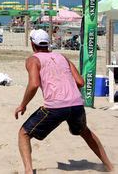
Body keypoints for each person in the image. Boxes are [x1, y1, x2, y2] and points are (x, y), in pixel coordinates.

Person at [14, 29, 114, 173]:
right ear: (48, 44)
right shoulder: (62, 57)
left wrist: (23, 105)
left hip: (55, 107)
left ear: (32, 44)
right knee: (85, 132)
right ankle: (110, 166)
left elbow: (34, 84)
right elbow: (80, 82)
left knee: (24, 133)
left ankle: (28, 171)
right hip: (77, 105)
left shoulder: (32, 60)